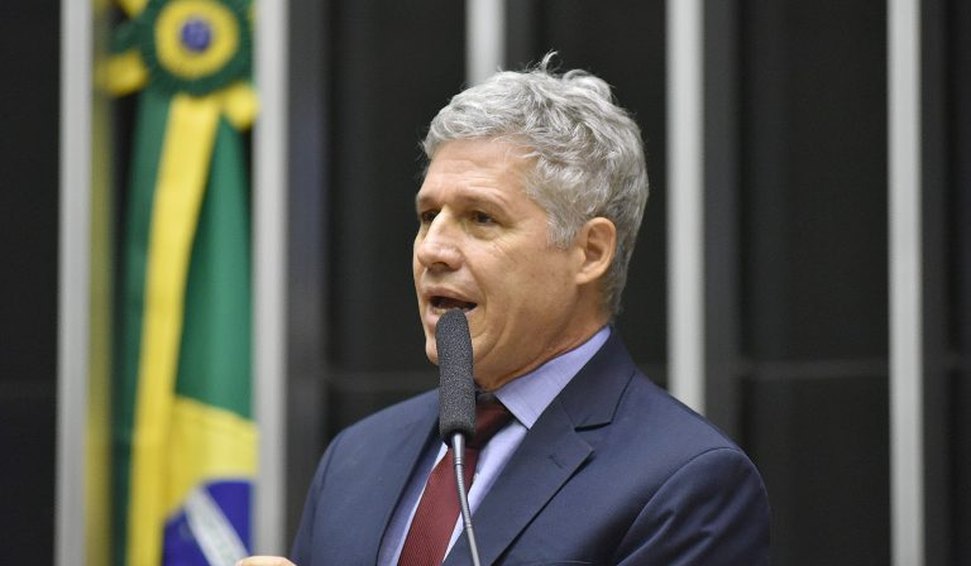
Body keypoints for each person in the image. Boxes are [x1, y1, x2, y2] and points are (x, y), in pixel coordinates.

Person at [241, 54, 770, 566]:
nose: (432, 249)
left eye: (481, 218)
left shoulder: (686, 483)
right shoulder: (357, 457)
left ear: (590, 252)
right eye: (428, 216)